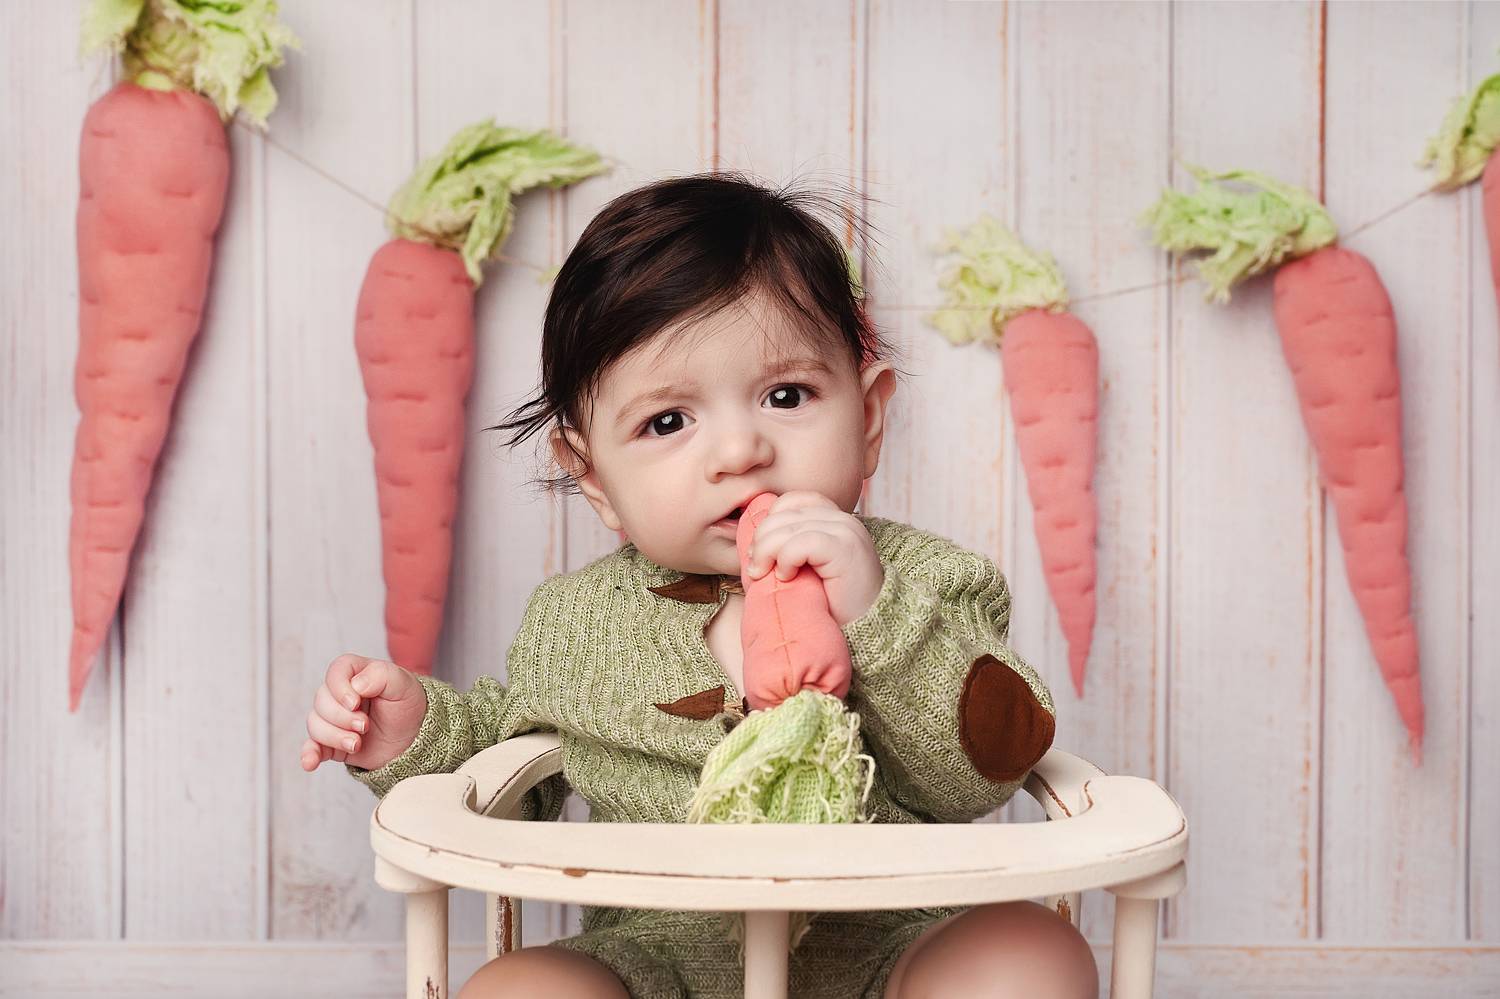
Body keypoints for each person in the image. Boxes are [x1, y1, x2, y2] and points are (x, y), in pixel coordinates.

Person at [299, 173, 1098, 999]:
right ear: (594, 476)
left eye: (786, 395)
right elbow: (511, 782)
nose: (739, 450)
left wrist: (876, 612)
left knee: (1027, 953)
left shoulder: (924, 580)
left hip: (888, 946)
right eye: (668, 421)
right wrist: (411, 733)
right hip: (656, 963)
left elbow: (988, 766)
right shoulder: (574, 623)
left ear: (867, 420)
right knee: (525, 987)